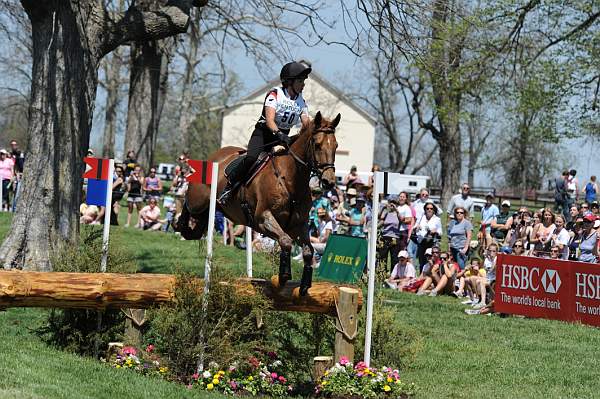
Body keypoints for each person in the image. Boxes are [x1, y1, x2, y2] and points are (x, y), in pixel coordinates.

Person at [219, 61, 312, 204]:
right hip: (263, 135)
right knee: (251, 158)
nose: (303, 84)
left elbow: (306, 123)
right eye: (300, 81)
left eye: (304, 81)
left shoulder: (301, 102)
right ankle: (229, 187)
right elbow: (269, 120)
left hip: (282, 139)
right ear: (289, 82)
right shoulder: (275, 94)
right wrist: (280, 135)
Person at [414, 201, 442, 270]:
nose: (429, 210)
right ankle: (421, 277)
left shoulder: (437, 219)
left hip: (431, 242)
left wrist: (435, 231)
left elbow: (440, 232)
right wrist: (416, 227)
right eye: (427, 208)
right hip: (421, 242)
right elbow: (415, 227)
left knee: (430, 261)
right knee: (421, 261)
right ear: (425, 210)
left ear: (434, 210)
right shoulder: (421, 217)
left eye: (431, 208)